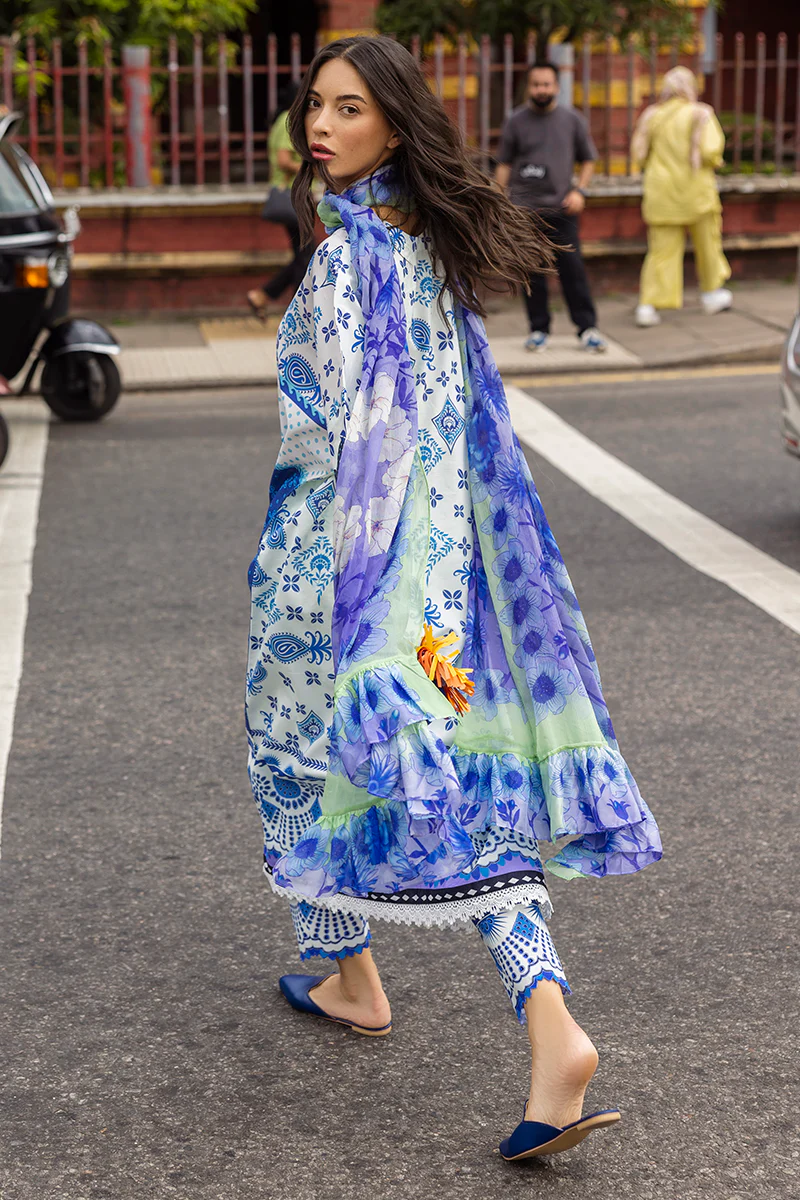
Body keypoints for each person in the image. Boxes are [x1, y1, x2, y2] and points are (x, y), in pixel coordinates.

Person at [245, 35, 661, 1162]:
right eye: (314, 105)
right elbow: (458, 433)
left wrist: (344, 587)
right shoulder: (430, 251)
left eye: (348, 108)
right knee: (454, 783)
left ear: (395, 124)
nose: (320, 126)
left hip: (342, 569)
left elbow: (347, 439)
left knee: (293, 759)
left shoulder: (350, 260)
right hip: (445, 575)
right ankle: (425, 992)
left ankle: (468, 1006)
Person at [496, 61, 607, 354]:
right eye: (536, 84)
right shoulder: (515, 121)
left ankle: (587, 329)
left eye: (546, 84)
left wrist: (580, 191)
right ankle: (538, 330)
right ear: (528, 87)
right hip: (524, 211)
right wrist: (499, 202)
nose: (541, 90)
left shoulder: (572, 120)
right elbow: (504, 164)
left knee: (573, 270)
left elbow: (589, 160)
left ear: (557, 87)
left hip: (562, 210)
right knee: (532, 273)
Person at [631, 66, 731, 327]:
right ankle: (711, 293)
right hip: (697, 193)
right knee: (708, 245)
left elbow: (639, 154)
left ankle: (648, 305)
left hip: (661, 193)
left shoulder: (652, 116)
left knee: (661, 251)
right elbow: (710, 151)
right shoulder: (701, 114)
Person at [246, 85, 314, 322]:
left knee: (304, 254)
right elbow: (284, 160)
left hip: (295, 195)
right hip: (294, 196)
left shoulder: (282, 120)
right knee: (307, 255)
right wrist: (312, 168)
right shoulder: (288, 120)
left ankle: (264, 295)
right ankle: (298, 311)